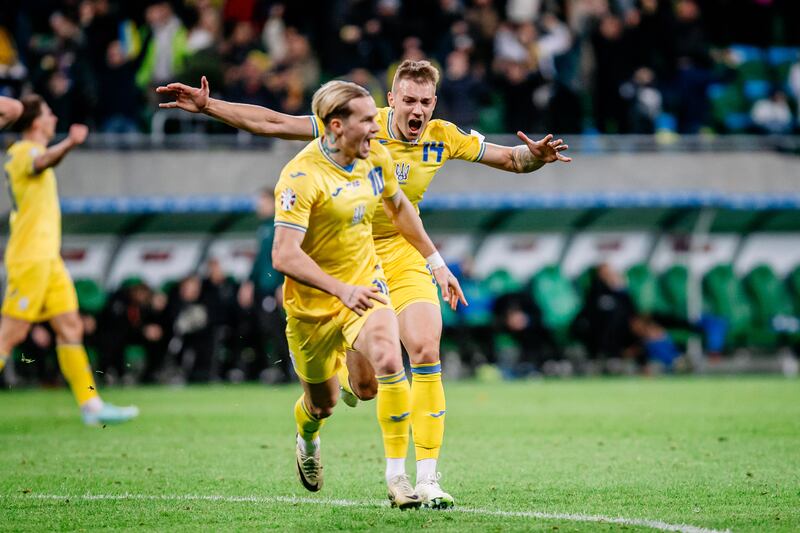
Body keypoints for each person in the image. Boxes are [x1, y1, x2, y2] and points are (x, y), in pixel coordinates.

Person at [156, 59, 569, 508]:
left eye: (425, 102)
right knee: (361, 389)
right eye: (408, 100)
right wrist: (209, 105)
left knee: (425, 348)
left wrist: (537, 159)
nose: (417, 111)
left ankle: (425, 479)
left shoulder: (442, 136)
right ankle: (313, 421)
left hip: (402, 252)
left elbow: (510, 158)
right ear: (390, 100)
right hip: (347, 259)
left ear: (434, 103)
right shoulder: (358, 127)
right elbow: (275, 122)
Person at [270, 80, 464, 508]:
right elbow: (283, 255)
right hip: (314, 302)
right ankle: (307, 435)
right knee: (328, 400)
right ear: (337, 126)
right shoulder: (300, 177)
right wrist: (339, 288)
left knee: (397, 357)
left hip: (366, 281)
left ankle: (403, 480)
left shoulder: (374, 155)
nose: (378, 127)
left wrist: (437, 262)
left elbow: (399, 209)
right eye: (367, 120)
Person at [0, 94, 139, 425]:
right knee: (10, 334)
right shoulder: (21, 152)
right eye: (48, 113)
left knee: (70, 327)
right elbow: (41, 162)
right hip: (29, 258)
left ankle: (91, 406)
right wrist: (70, 144)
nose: (53, 119)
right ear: (35, 122)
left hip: (49, 260)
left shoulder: (34, 151)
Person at [236, 189, 291, 383]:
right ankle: (270, 369)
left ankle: (288, 371)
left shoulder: (281, 224)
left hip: (273, 287)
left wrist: (282, 284)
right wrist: (249, 283)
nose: (258, 206)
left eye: (262, 201)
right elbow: (260, 260)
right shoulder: (263, 227)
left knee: (278, 329)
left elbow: (284, 256)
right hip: (261, 288)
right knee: (264, 328)